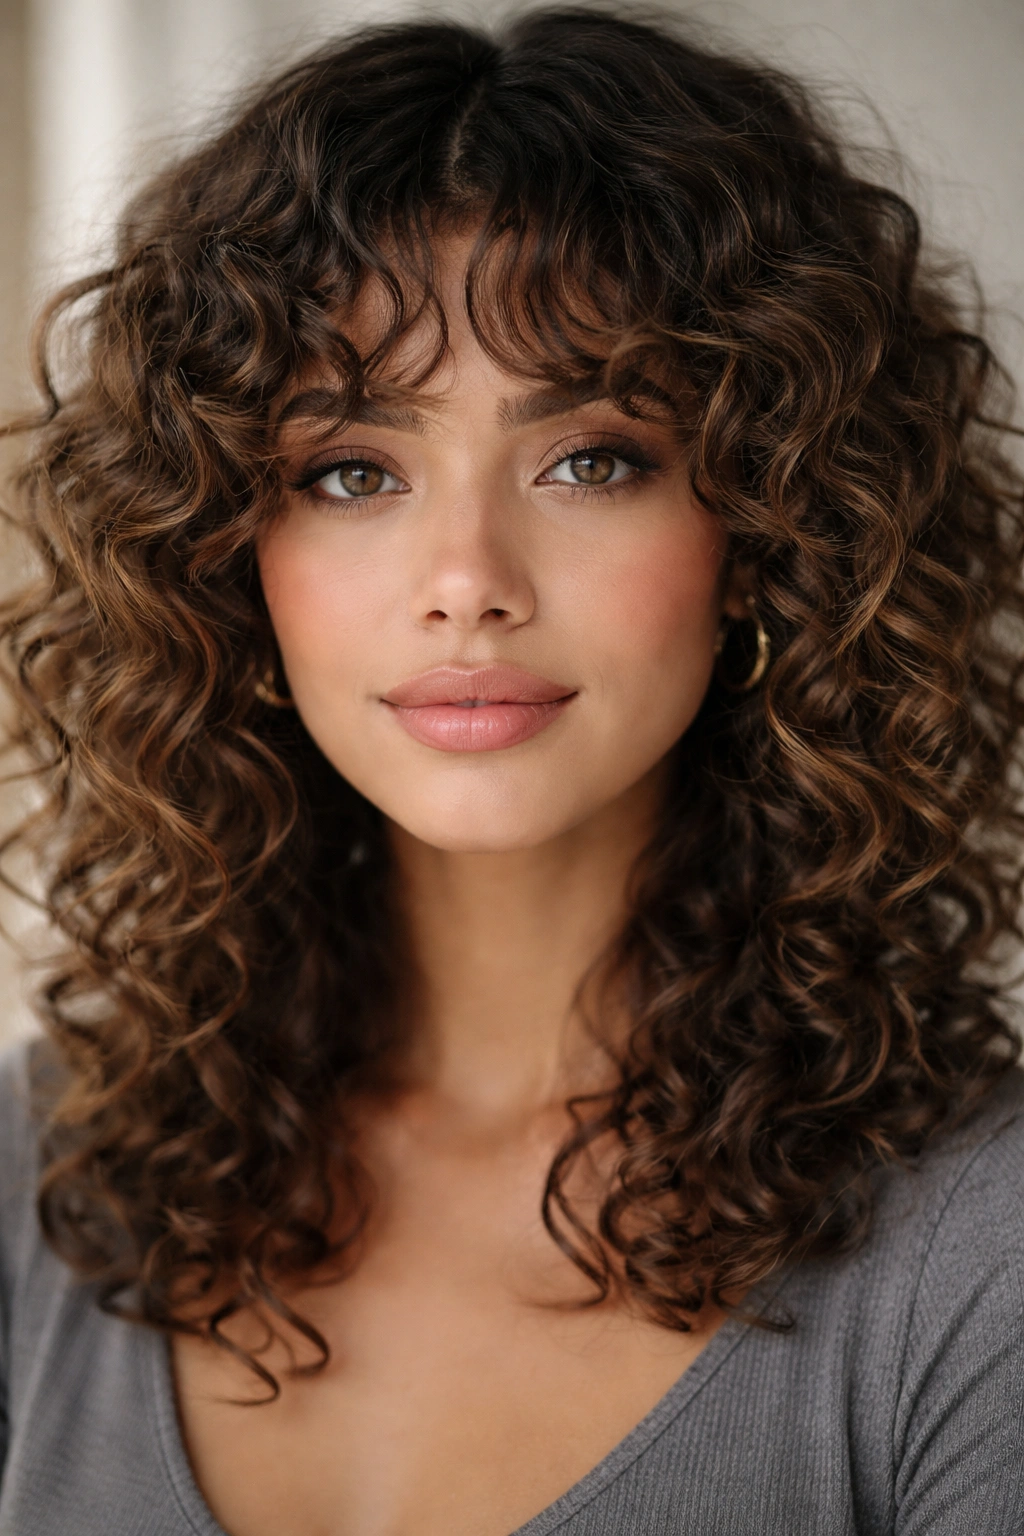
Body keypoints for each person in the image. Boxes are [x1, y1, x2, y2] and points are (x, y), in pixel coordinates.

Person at [0, 8, 1022, 1533]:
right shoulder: (46, 1163)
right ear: (226, 555)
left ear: (766, 532)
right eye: (353, 470)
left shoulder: (984, 1253)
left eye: (593, 457)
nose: (467, 579)